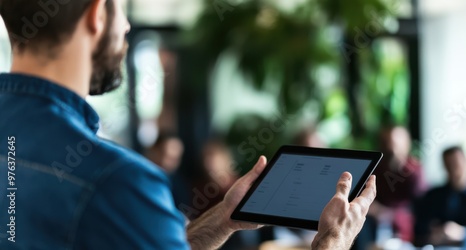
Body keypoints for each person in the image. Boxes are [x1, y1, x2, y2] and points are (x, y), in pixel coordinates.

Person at [0, 0, 376, 249]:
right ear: (97, 14)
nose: (127, 26)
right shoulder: (116, 181)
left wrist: (222, 220)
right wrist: (331, 242)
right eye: (122, 9)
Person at [354, 126, 425, 249]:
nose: (391, 148)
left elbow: (421, 206)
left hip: (401, 227)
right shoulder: (376, 170)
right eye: (386, 143)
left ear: (406, 144)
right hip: (373, 223)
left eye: (395, 144)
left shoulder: (414, 172)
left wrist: (391, 215)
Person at [414, 146, 466, 249]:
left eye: (456, 164)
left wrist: (463, 233)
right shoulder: (434, 195)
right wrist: (433, 233)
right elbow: (420, 227)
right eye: (448, 165)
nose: (453, 169)